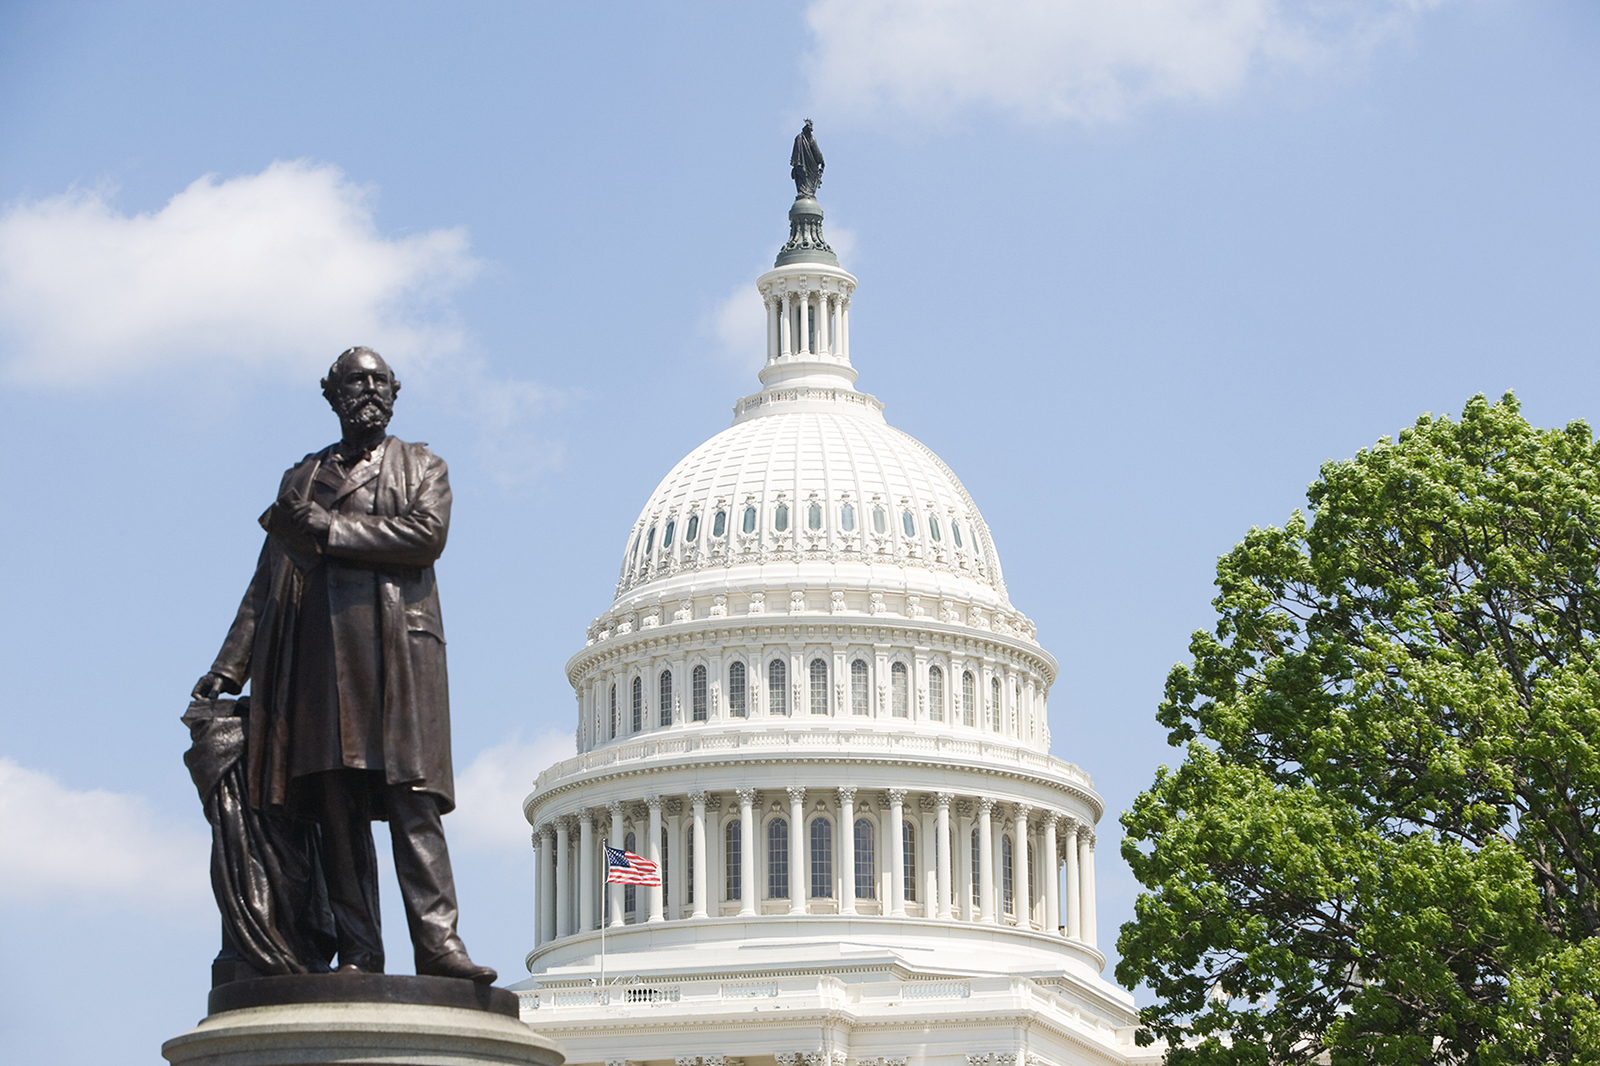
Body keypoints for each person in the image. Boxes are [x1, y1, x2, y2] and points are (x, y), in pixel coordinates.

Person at [193, 346, 495, 983]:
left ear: (394, 393)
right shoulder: (301, 478)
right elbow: (266, 582)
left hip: (397, 657)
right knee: (338, 811)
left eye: (380, 382)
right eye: (356, 382)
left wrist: (328, 530)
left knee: (413, 803)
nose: (370, 391)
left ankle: (440, 945)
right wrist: (229, 668)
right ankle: (360, 950)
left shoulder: (422, 466)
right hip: (319, 663)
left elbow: (424, 537)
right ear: (331, 395)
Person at [791, 118, 824, 198]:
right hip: (804, 165)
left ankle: (804, 192)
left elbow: (816, 151)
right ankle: (804, 192)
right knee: (802, 178)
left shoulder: (800, 138)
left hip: (805, 165)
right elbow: (816, 152)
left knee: (803, 179)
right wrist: (822, 161)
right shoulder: (806, 138)